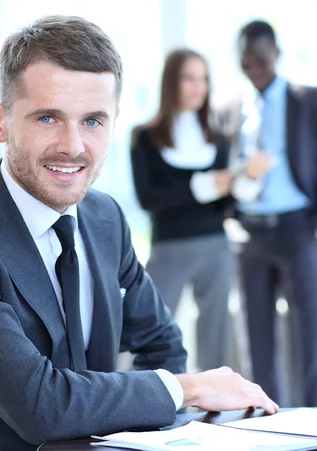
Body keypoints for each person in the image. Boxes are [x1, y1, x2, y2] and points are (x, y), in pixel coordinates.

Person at [0, 15, 278, 451]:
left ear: (114, 121)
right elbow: (39, 405)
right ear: (0, 120)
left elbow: (162, 345)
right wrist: (185, 389)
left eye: (93, 121)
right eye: (48, 118)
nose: (74, 145)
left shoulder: (103, 218)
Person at [217, 20, 317, 407]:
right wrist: (231, 218)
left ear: (277, 53)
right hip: (250, 235)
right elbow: (223, 172)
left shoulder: (310, 100)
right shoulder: (229, 109)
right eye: (245, 59)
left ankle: (314, 425)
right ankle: (268, 423)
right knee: (255, 340)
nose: (253, 65)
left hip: (300, 230)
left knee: (310, 338)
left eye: (261, 56)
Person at [130, 48, 235, 372]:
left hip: (216, 248)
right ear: (170, 83)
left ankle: (216, 412)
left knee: (215, 335)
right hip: (168, 250)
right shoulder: (144, 137)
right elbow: (148, 199)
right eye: (189, 78)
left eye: (203, 79)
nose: (198, 87)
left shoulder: (219, 139)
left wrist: (239, 184)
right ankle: (136, 403)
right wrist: (198, 188)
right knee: (149, 330)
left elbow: (227, 204)